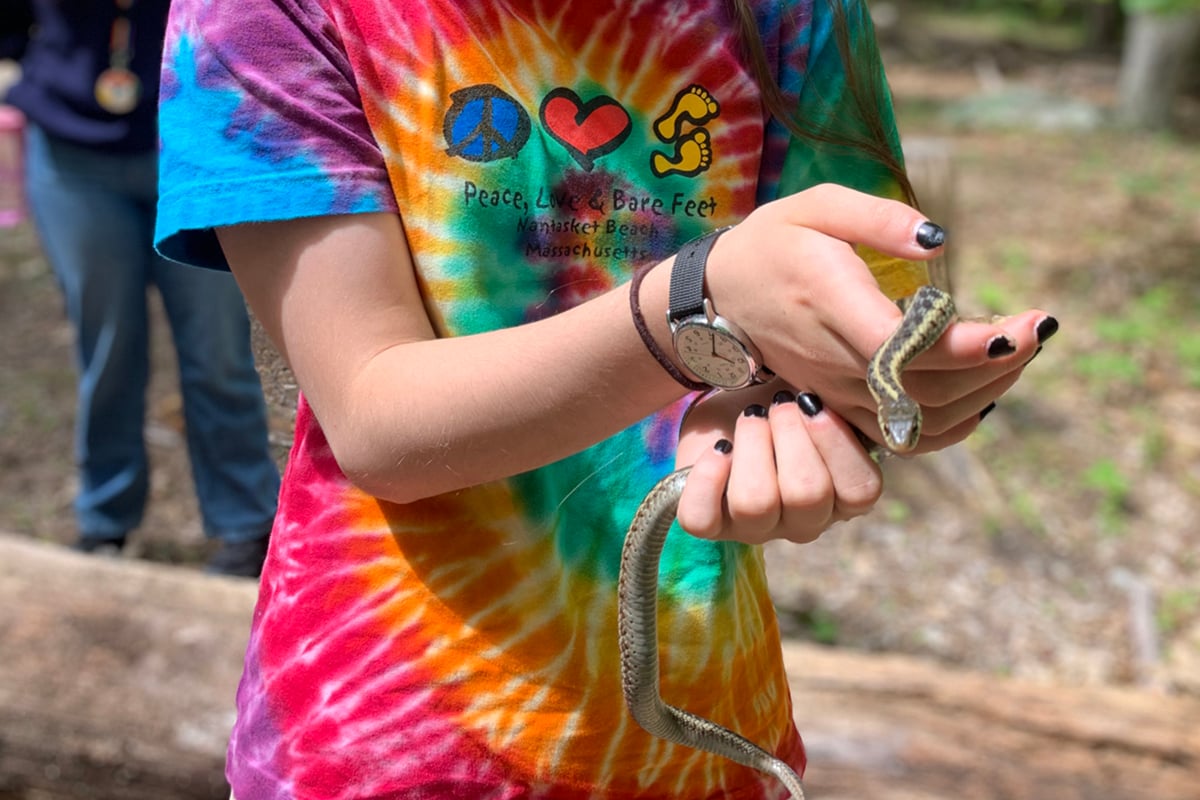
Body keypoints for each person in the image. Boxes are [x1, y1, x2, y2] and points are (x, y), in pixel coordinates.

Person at [154, 0, 1057, 796]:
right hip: (379, 739)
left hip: (707, 732)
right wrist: (693, 308)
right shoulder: (262, 15)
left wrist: (843, 406)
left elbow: (847, 349)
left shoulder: (789, 12)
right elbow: (376, 419)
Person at [1, 0, 281, 577]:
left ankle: (245, 527)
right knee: (106, 346)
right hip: (71, 157)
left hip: (196, 146)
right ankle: (104, 522)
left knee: (217, 353)